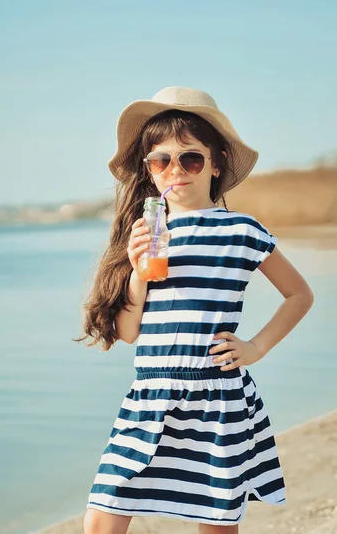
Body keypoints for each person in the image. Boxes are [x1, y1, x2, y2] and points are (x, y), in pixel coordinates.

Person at [79, 86, 314, 534]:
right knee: (102, 517)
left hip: (216, 399)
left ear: (216, 162)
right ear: (149, 172)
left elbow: (299, 294)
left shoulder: (242, 230)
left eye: (190, 158)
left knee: (215, 523)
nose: (175, 171)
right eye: (160, 160)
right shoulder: (143, 233)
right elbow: (129, 332)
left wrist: (256, 347)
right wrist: (136, 271)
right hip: (150, 397)